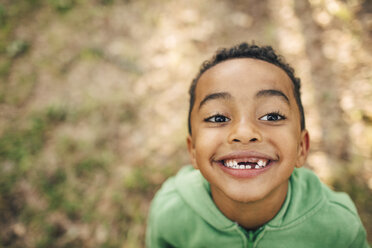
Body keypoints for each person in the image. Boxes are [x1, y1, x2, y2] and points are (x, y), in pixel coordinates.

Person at [146, 43, 370, 248]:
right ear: (192, 150)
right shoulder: (170, 213)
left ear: (302, 147)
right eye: (217, 118)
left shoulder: (338, 227)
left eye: (272, 116)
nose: (244, 133)